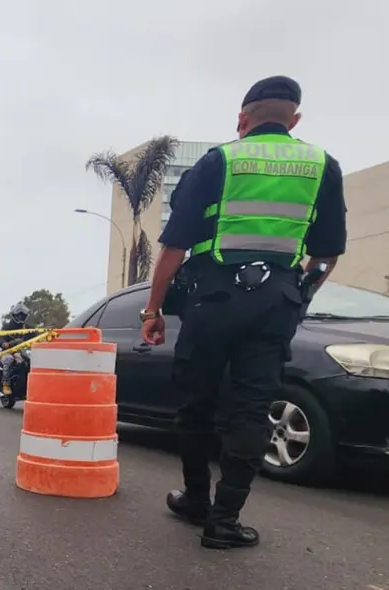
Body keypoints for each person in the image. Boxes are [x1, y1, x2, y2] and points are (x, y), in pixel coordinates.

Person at [140, 75, 346, 550]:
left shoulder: (220, 161)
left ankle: (195, 498)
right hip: (276, 300)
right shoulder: (322, 165)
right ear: (294, 120)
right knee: (252, 409)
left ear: (242, 119)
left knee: (196, 401)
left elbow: (173, 247)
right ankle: (225, 520)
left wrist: (153, 309)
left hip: (212, 297)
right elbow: (326, 254)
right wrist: (298, 295)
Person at [0, 302, 30, 395]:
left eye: (22, 316)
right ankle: (6, 384)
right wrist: (4, 343)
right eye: (19, 315)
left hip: (20, 351)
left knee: (25, 362)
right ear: (14, 315)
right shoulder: (7, 326)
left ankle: (26, 383)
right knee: (8, 359)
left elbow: (35, 336)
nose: (20, 318)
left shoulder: (26, 328)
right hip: (7, 352)